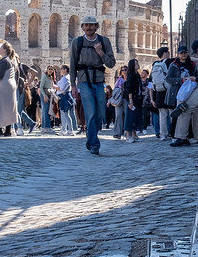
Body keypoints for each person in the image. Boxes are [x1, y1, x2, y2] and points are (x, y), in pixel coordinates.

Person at [69, 15, 116, 155]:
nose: (89, 28)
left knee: (100, 113)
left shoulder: (104, 41)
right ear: (82, 27)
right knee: (90, 112)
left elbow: (111, 63)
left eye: (91, 25)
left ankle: (90, 138)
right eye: (86, 25)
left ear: (96, 26)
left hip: (99, 81)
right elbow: (72, 64)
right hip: (83, 81)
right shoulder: (77, 42)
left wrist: (100, 52)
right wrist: (72, 85)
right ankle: (95, 144)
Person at [165, 44, 196, 146]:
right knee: (176, 114)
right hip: (177, 92)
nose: (183, 55)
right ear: (178, 54)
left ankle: (188, 136)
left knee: (187, 112)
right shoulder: (173, 65)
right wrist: (181, 80)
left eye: (185, 53)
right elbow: (168, 79)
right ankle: (174, 136)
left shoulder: (192, 64)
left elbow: (195, 75)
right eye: (181, 53)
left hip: (188, 91)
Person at [150, 46, 171, 140]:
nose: (169, 54)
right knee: (172, 113)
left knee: (162, 115)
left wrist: (152, 99)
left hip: (158, 92)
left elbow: (150, 83)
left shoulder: (155, 64)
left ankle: (163, 134)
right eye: (168, 52)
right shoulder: (169, 62)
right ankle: (173, 133)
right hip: (168, 91)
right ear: (165, 53)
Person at [123, 59, 143, 143]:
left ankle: (134, 133)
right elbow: (129, 89)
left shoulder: (137, 75)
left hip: (137, 99)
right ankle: (128, 135)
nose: (137, 65)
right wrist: (131, 101)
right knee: (130, 117)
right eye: (136, 63)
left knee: (135, 117)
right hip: (132, 99)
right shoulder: (131, 76)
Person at [55, 64, 76, 135]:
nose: (60, 70)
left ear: (65, 70)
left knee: (65, 114)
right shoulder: (65, 77)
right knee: (64, 114)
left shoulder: (65, 78)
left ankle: (70, 130)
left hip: (65, 96)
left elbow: (62, 89)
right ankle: (63, 129)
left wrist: (54, 87)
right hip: (65, 96)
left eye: (61, 69)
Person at [39, 66, 56, 133]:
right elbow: (41, 87)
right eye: (49, 69)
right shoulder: (44, 77)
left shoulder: (51, 78)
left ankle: (44, 127)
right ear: (47, 70)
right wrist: (44, 96)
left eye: (52, 69)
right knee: (46, 111)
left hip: (49, 94)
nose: (50, 70)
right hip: (44, 94)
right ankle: (47, 126)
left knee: (46, 111)